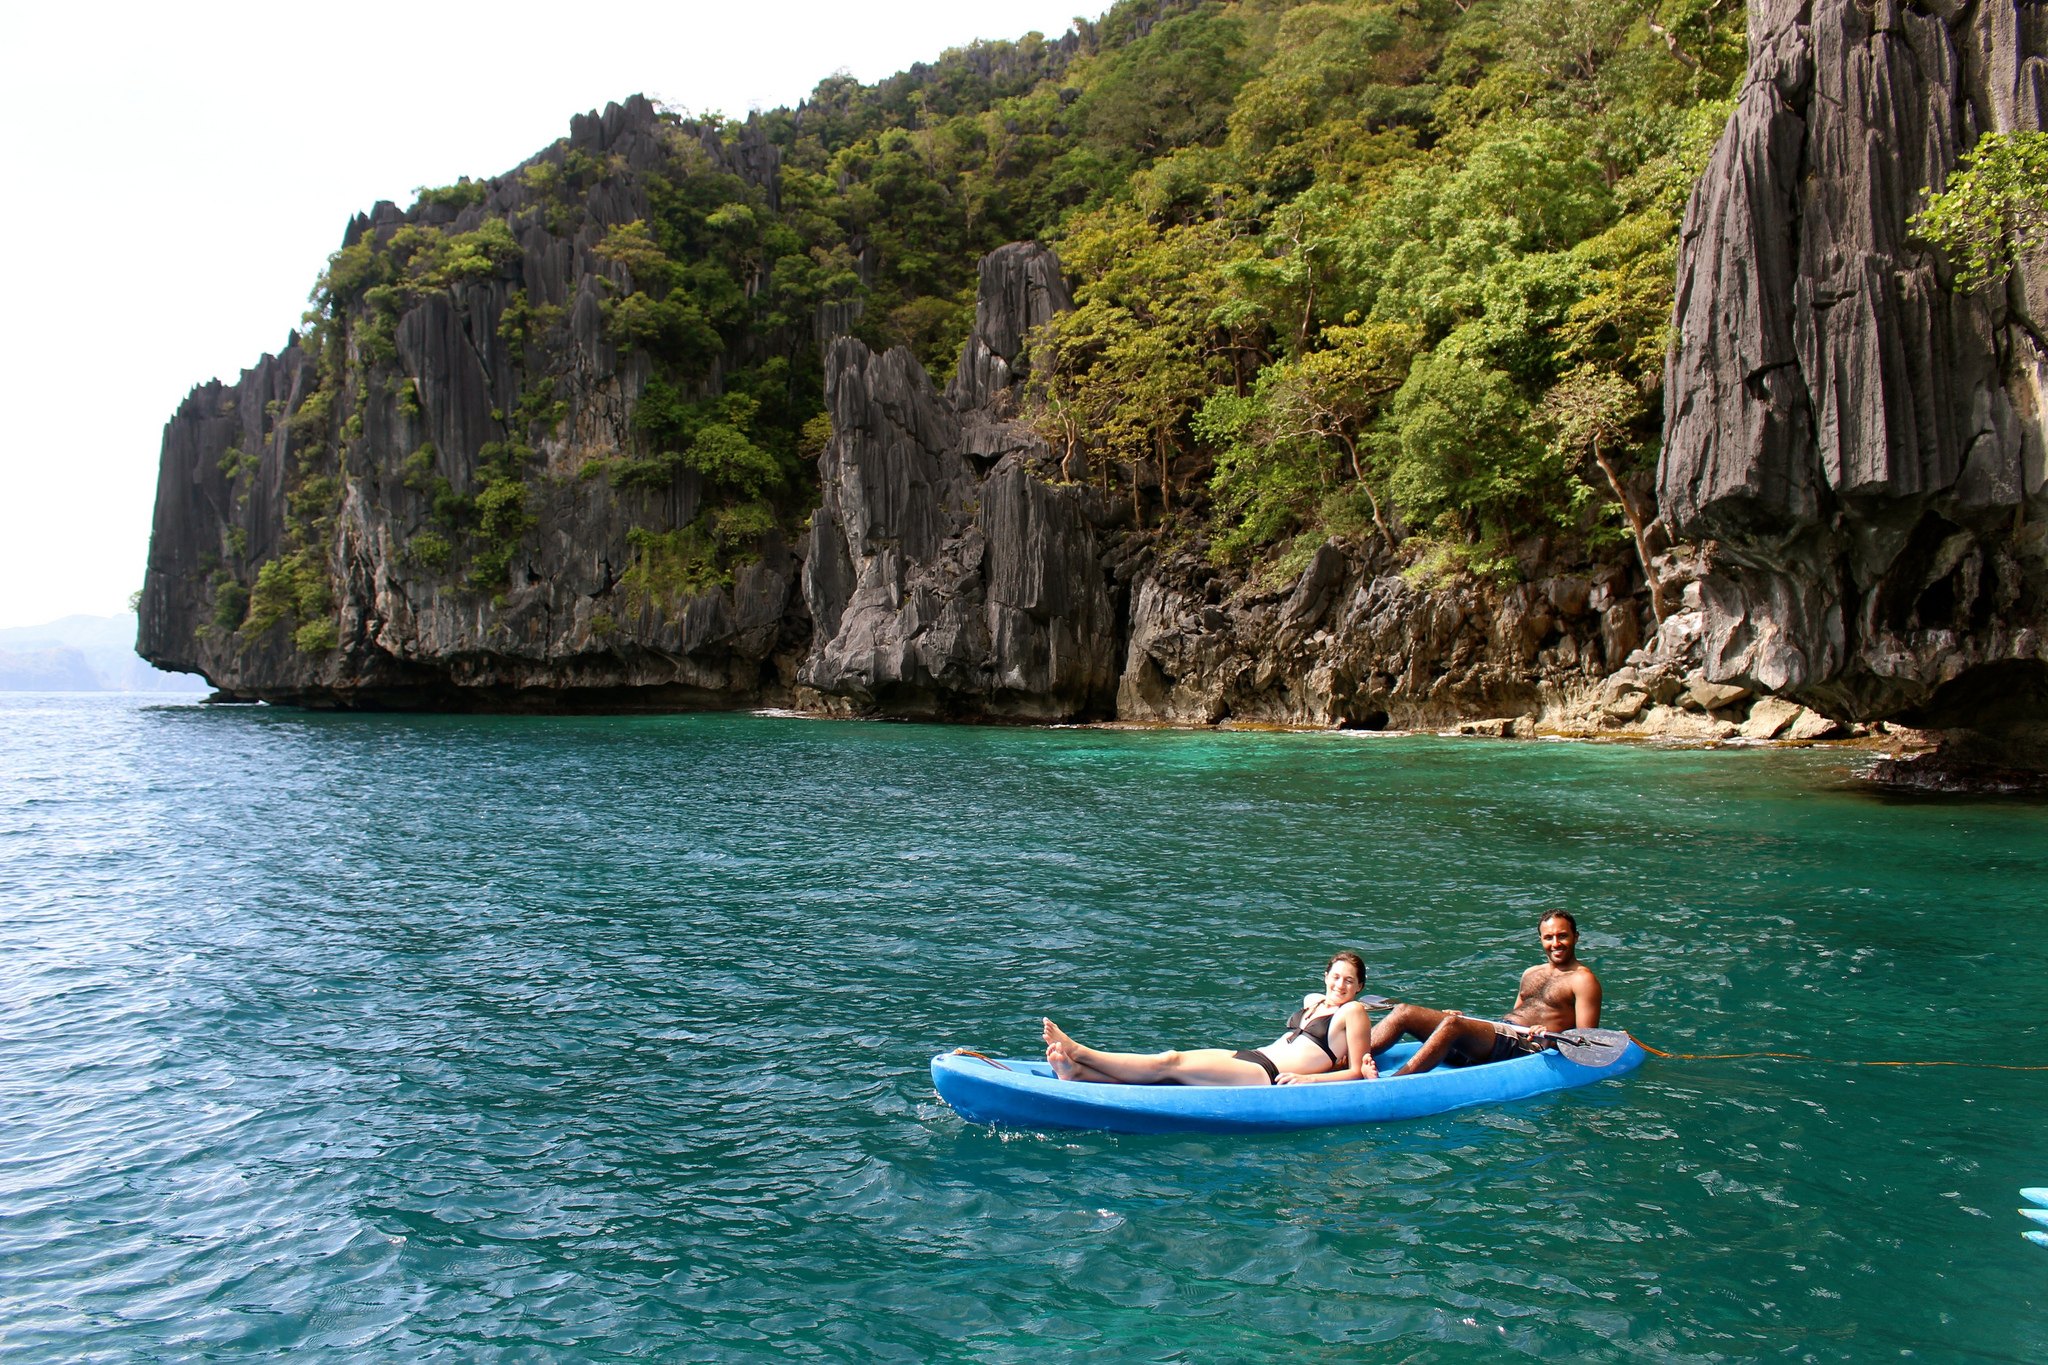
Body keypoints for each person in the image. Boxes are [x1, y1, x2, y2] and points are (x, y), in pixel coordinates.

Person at [1041, 952, 1381, 1086]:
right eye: (1335, 977)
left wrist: (1310, 1081)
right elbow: (1312, 997)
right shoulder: (1318, 1002)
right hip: (1254, 1055)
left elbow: (1356, 1071)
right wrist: (1319, 1001)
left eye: (1349, 981)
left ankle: (1080, 1053)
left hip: (1267, 1074)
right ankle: (1079, 1074)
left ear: (1360, 986)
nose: (1340, 985)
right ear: (1325, 976)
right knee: (1173, 1070)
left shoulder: (1354, 1011)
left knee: (1169, 1062)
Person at [1371, 911, 1602, 1076]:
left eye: (1562, 936)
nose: (1556, 943)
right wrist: (1472, 1028)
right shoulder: (1531, 974)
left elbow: (1584, 1041)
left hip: (1528, 1045)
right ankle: (1340, 1063)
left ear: (1576, 937)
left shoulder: (1582, 979)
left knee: (1452, 1024)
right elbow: (1512, 1019)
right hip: (1503, 1037)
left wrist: (1549, 1037)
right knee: (1403, 1011)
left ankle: (1394, 1083)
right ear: (1540, 940)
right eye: (1548, 937)